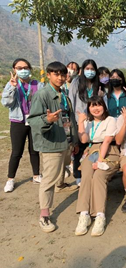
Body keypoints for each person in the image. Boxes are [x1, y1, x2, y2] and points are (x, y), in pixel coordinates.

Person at [27, 61, 78, 233]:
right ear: (48, 75)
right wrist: (46, 120)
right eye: (56, 74)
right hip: (51, 143)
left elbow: (70, 119)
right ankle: (44, 215)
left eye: (63, 74)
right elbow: (32, 120)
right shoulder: (42, 95)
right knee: (48, 178)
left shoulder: (64, 93)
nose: (60, 78)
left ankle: (61, 185)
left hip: (65, 140)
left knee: (62, 167)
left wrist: (74, 140)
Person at [75, 96, 119, 237]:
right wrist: (81, 123)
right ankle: (84, 214)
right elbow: (84, 140)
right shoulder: (88, 122)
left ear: (104, 107)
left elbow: (106, 141)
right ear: (88, 108)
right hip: (91, 150)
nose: (95, 108)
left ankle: (100, 216)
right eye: (92, 106)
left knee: (99, 175)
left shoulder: (110, 120)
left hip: (108, 151)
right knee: (86, 175)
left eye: (98, 105)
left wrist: (100, 161)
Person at [2, 58, 43, 193]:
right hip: (18, 122)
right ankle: (10, 179)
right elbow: (6, 103)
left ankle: (36, 175)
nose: (23, 70)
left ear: (30, 69)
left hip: (34, 121)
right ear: (14, 69)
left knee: (34, 150)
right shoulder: (11, 84)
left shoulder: (37, 84)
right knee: (16, 152)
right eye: (19, 68)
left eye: (25, 67)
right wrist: (12, 87)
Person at [69, 59, 100, 187]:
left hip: (94, 121)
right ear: (82, 70)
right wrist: (74, 121)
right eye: (87, 69)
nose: (90, 71)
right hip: (79, 121)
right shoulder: (76, 82)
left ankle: (92, 173)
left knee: (93, 148)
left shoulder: (97, 84)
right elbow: (71, 101)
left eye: (92, 69)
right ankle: (78, 175)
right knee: (78, 150)